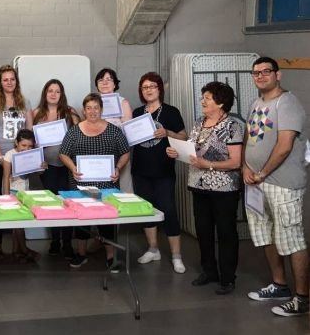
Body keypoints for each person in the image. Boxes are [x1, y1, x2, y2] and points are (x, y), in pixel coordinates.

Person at [242, 57, 309, 317]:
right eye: (256, 72)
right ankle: (280, 286)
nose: (260, 76)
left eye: (266, 71)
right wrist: (245, 167)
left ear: (278, 75)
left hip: (282, 184)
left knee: (292, 239)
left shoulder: (287, 103)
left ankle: (302, 299)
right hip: (256, 183)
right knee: (266, 234)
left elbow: (284, 146)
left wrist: (261, 173)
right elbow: (249, 138)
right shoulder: (256, 103)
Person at [168, 81, 242, 295]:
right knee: (203, 231)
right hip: (198, 185)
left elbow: (236, 161)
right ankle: (209, 271)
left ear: (220, 103)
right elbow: (193, 150)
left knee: (226, 232)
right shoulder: (199, 122)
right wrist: (177, 152)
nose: (202, 101)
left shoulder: (232, 126)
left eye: (207, 98)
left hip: (224, 189)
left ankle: (228, 278)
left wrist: (208, 164)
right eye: (203, 97)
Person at [59, 92, 130, 270]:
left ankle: (111, 257)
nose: (92, 111)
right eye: (89, 108)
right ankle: (81, 254)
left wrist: (118, 168)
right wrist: (73, 168)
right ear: (84, 111)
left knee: (107, 221)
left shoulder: (114, 130)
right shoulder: (74, 131)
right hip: (80, 184)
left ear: (101, 109)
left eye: (96, 108)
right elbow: (63, 153)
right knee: (81, 221)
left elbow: (125, 152)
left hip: (107, 185)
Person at [131, 72, 187, 274]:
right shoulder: (137, 112)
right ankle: (153, 249)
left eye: (152, 86)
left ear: (159, 89)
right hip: (140, 170)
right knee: (146, 209)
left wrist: (167, 133)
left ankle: (176, 256)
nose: (148, 90)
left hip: (164, 170)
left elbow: (183, 136)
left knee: (169, 210)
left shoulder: (171, 112)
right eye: (144, 87)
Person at [0, 65, 33, 261]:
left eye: (12, 79)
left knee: (21, 199)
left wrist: (28, 157)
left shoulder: (24, 101)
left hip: (21, 157)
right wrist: (0, 157)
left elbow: (29, 130)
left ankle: (20, 247)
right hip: (2, 157)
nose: (9, 82)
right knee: (2, 199)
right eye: (5, 79)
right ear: (0, 82)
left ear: (16, 81)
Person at [32, 79, 79, 259]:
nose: (53, 94)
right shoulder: (36, 113)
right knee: (51, 204)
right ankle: (55, 241)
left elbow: (78, 135)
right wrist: (36, 160)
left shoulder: (70, 112)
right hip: (47, 167)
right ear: (45, 93)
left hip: (67, 166)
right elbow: (31, 142)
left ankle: (67, 243)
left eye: (57, 91)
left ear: (62, 94)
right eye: (50, 90)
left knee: (67, 203)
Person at [2, 129, 47, 262]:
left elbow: (37, 172)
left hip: (25, 192)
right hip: (12, 191)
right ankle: (25, 249)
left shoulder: (33, 154)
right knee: (18, 223)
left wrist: (42, 167)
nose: (26, 149)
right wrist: (6, 196)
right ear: (16, 143)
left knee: (18, 223)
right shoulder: (9, 155)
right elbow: (6, 177)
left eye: (30, 146)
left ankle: (16, 251)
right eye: (23, 145)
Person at [94, 68, 134, 192]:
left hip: (119, 151)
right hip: (96, 150)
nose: (105, 82)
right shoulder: (92, 103)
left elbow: (128, 131)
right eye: (101, 80)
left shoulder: (123, 102)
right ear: (97, 85)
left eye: (109, 79)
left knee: (123, 187)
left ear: (115, 84)